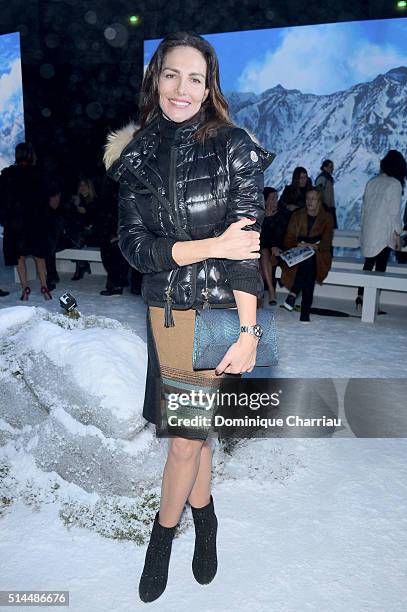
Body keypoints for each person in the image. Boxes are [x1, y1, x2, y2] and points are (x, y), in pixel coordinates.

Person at [104, 31, 273, 603]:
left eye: (195, 78)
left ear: (209, 86)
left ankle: (166, 534)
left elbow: (245, 251)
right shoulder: (137, 155)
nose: (183, 88)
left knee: (187, 436)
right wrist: (206, 247)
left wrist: (250, 331)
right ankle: (202, 518)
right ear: (156, 79)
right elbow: (135, 249)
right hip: (169, 314)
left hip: (224, 312)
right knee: (189, 437)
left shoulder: (233, 145)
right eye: (172, 75)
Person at [0, 142, 51, 300]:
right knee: (39, 256)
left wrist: (6, 217)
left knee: (19, 257)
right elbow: (45, 200)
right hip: (35, 221)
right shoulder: (39, 174)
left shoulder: (7, 174)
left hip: (15, 222)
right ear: (31, 155)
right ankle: (44, 287)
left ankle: (25, 289)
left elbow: (2, 199)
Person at [356, 150, 406, 309]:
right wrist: (398, 235)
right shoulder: (395, 184)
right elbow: (394, 214)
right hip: (383, 234)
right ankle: (371, 306)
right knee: (380, 269)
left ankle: (360, 298)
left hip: (369, 231)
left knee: (368, 264)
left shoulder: (372, 181)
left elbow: (363, 209)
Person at [281, 188, 333, 322]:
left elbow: (326, 244)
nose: (310, 201)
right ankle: (305, 312)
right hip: (297, 252)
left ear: (319, 201)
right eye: (308, 198)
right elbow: (288, 239)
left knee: (310, 261)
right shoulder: (297, 215)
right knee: (308, 265)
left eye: (313, 199)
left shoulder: (327, 218)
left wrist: (313, 246)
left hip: (319, 254)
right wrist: (299, 245)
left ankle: (293, 293)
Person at [94, 177, 129, 296]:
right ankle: (117, 284)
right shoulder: (115, 187)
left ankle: (116, 285)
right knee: (110, 257)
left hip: (113, 229)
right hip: (110, 227)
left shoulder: (113, 190)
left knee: (111, 258)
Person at [260, 187, 290, 304]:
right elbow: (260, 239)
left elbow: (280, 236)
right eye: (272, 199)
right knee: (263, 254)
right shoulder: (260, 216)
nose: (275, 201)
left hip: (279, 250)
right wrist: (266, 218)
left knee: (264, 255)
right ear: (265, 201)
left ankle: (269, 293)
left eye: (276, 198)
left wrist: (273, 246)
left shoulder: (282, 214)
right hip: (264, 251)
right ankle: (269, 293)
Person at [67, 178, 98, 280]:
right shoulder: (76, 200)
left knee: (78, 236)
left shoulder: (95, 201)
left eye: (85, 185)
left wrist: (85, 213)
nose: (82, 188)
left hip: (92, 232)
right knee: (74, 235)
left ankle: (81, 267)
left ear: (90, 188)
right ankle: (82, 265)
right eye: (80, 185)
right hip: (78, 231)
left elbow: (96, 219)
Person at [315, 159, 338, 229]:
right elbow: (318, 191)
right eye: (330, 167)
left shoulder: (328, 178)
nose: (332, 169)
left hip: (330, 207)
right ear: (325, 168)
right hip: (325, 208)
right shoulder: (322, 179)